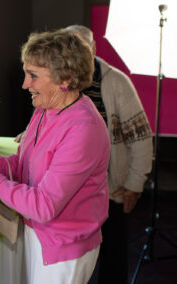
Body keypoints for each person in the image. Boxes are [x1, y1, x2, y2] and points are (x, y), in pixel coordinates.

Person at [0, 29, 110, 284]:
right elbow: (21, 165)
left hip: (64, 247)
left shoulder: (83, 129)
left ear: (65, 79)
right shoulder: (46, 108)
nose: (25, 84)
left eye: (33, 76)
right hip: (39, 234)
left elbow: (44, 206)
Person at [64, 25, 153, 284]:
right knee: (76, 262)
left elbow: (141, 136)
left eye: (81, 47)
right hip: (72, 191)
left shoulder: (115, 81)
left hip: (109, 190)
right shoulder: (61, 78)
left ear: (92, 49)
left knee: (112, 258)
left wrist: (135, 184)